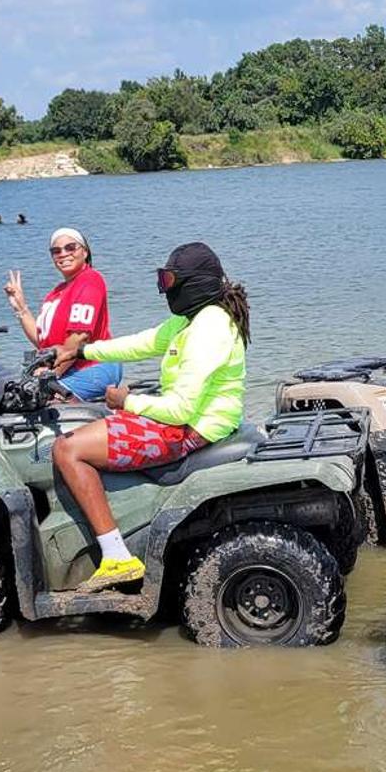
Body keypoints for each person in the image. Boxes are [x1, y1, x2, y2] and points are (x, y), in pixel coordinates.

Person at [49, 243, 250, 591]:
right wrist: (79, 350)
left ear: (194, 283)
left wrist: (128, 401)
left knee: (67, 449)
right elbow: (143, 342)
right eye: (163, 279)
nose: (165, 289)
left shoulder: (209, 329)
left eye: (170, 280)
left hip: (188, 428)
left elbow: (180, 409)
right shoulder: (193, 319)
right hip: (189, 418)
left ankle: (116, 557)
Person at [3, 228, 123, 401]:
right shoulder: (55, 294)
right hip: (68, 368)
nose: (63, 254)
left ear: (85, 251)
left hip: (93, 367)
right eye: (56, 251)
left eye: (70, 247)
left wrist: (52, 374)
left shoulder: (89, 279)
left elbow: (79, 339)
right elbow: (42, 341)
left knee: (38, 402)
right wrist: (21, 308)